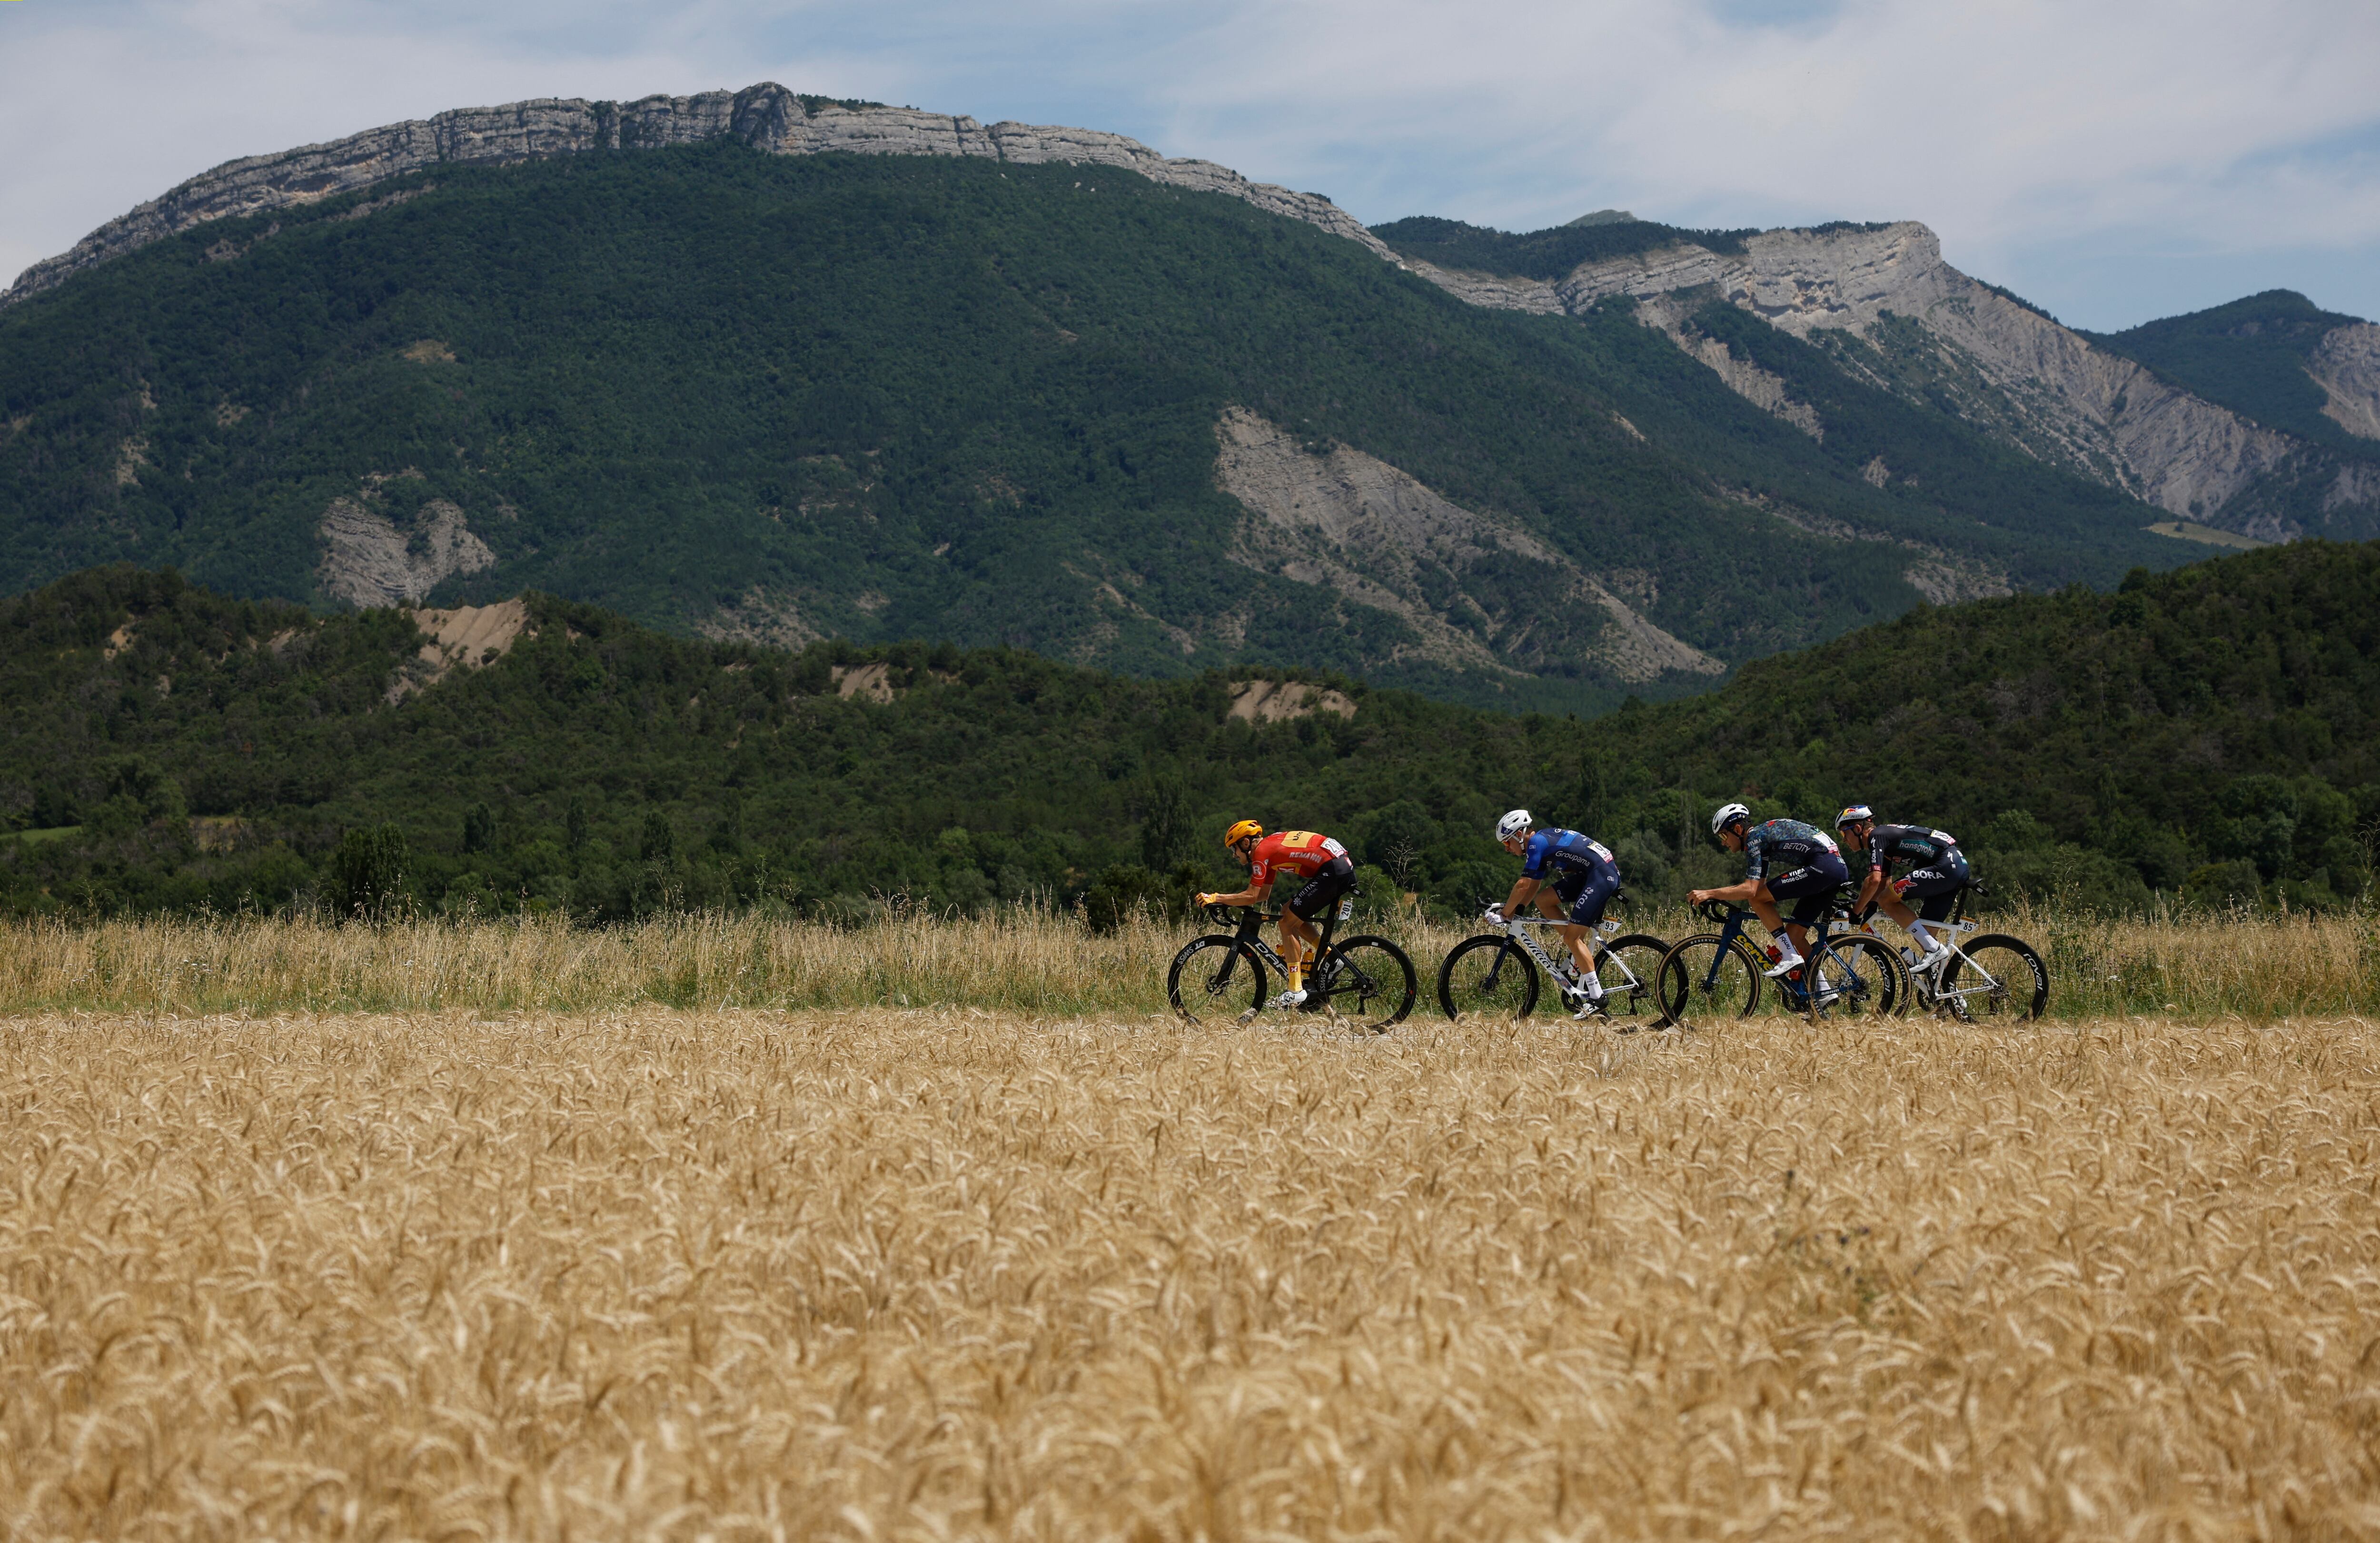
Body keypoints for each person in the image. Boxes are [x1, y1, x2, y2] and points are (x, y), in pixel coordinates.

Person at [1196, 820, 1355, 1008]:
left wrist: (1217, 898)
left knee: (1287, 924)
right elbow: (1262, 895)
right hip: (1338, 866)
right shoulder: (1268, 850)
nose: (1234, 855)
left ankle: (1296, 989)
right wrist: (1228, 900)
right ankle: (1332, 958)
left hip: (1333, 869)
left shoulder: (1262, 852)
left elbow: (1252, 895)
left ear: (1246, 844)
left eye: (1234, 849)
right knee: (1288, 912)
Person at [1689, 803, 1849, 978]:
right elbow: (1756, 887)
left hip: (1823, 867)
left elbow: (1751, 891)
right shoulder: (1761, 839)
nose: (1723, 842)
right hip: (1833, 868)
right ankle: (1823, 989)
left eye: (1723, 835)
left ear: (1737, 829)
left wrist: (1709, 893)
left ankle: (1789, 955)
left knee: (1757, 899)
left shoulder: (1754, 838)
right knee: (1794, 935)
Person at [1489, 808, 1621, 1019]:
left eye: (1507, 843)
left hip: (1600, 875)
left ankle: (1597, 998)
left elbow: (1523, 885)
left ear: (1518, 835)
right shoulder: (1540, 842)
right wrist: (1517, 910)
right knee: (1544, 900)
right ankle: (1575, 955)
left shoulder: (1536, 844)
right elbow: (1533, 887)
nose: (1507, 849)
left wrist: (1505, 913)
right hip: (1593, 873)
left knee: (1572, 937)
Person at [1835, 805, 1969, 977]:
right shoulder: (1884, 839)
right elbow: (1884, 882)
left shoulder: (1877, 836)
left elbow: (1873, 881)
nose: (1844, 840)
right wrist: (1869, 908)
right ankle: (1950, 993)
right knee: (1924, 935)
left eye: (1843, 833)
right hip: (1953, 867)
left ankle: (1934, 949)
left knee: (1887, 900)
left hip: (1946, 866)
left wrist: (1855, 911)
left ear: (1858, 829)